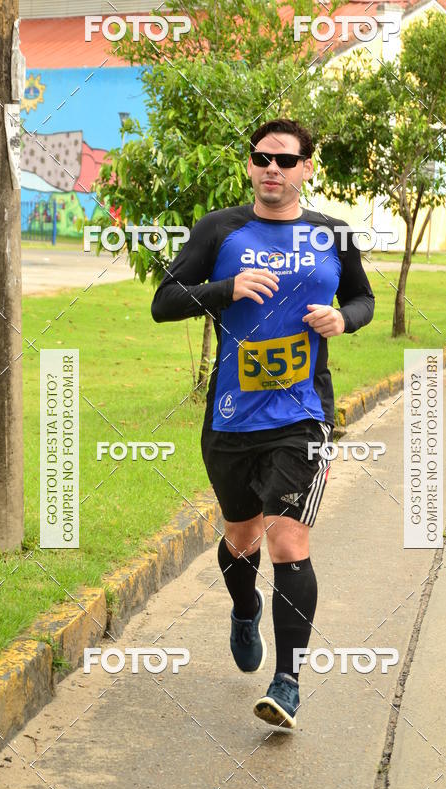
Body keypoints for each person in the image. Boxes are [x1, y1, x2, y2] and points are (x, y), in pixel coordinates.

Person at [152, 118, 374, 729]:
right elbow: (164, 302)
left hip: (302, 414)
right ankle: (244, 607)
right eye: (261, 158)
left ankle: (287, 682)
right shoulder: (219, 230)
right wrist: (226, 287)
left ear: (307, 168)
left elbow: (363, 299)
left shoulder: (334, 235)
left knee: (288, 540)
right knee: (240, 539)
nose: (271, 168)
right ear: (250, 166)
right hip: (230, 418)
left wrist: (342, 320)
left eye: (285, 160)